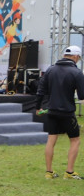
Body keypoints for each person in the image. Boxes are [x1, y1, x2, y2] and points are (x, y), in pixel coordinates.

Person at [36, 45, 84, 180]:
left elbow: (40, 91)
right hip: (68, 113)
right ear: (75, 57)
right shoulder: (77, 73)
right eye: (79, 58)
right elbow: (82, 96)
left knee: (51, 139)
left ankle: (49, 172)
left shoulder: (50, 70)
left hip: (51, 111)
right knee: (75, 140)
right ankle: (69, 172)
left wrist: (38, 107)